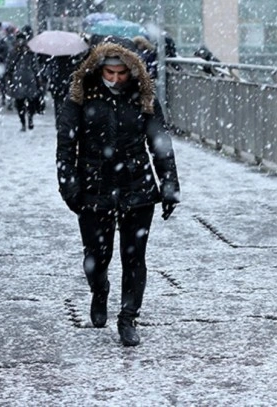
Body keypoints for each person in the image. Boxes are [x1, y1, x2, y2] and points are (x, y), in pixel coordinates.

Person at [56, 42, 181, 346]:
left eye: (121, 73)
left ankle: (128, 317)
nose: (115, 78)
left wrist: (169, 186)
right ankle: (100, 290)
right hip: (93, 187)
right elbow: (65, 146)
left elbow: (159, 142)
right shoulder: (80, 97)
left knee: (134, 257)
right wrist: (69, 187)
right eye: (109, 72)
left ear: (131, 71)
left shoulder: (143, 97)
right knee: (96, 257)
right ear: (99, 70)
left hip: (136, 186)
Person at [4, 32, 45, 131]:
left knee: (20, 103)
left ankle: (24, 122)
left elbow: (9, 67)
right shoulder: (30, 52)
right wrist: (38, 79)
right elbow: (35, 67)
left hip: (18, 79)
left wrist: (8, 79)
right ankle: (30, 119)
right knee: (29, 101)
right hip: (29, 79)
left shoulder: (13, 52)